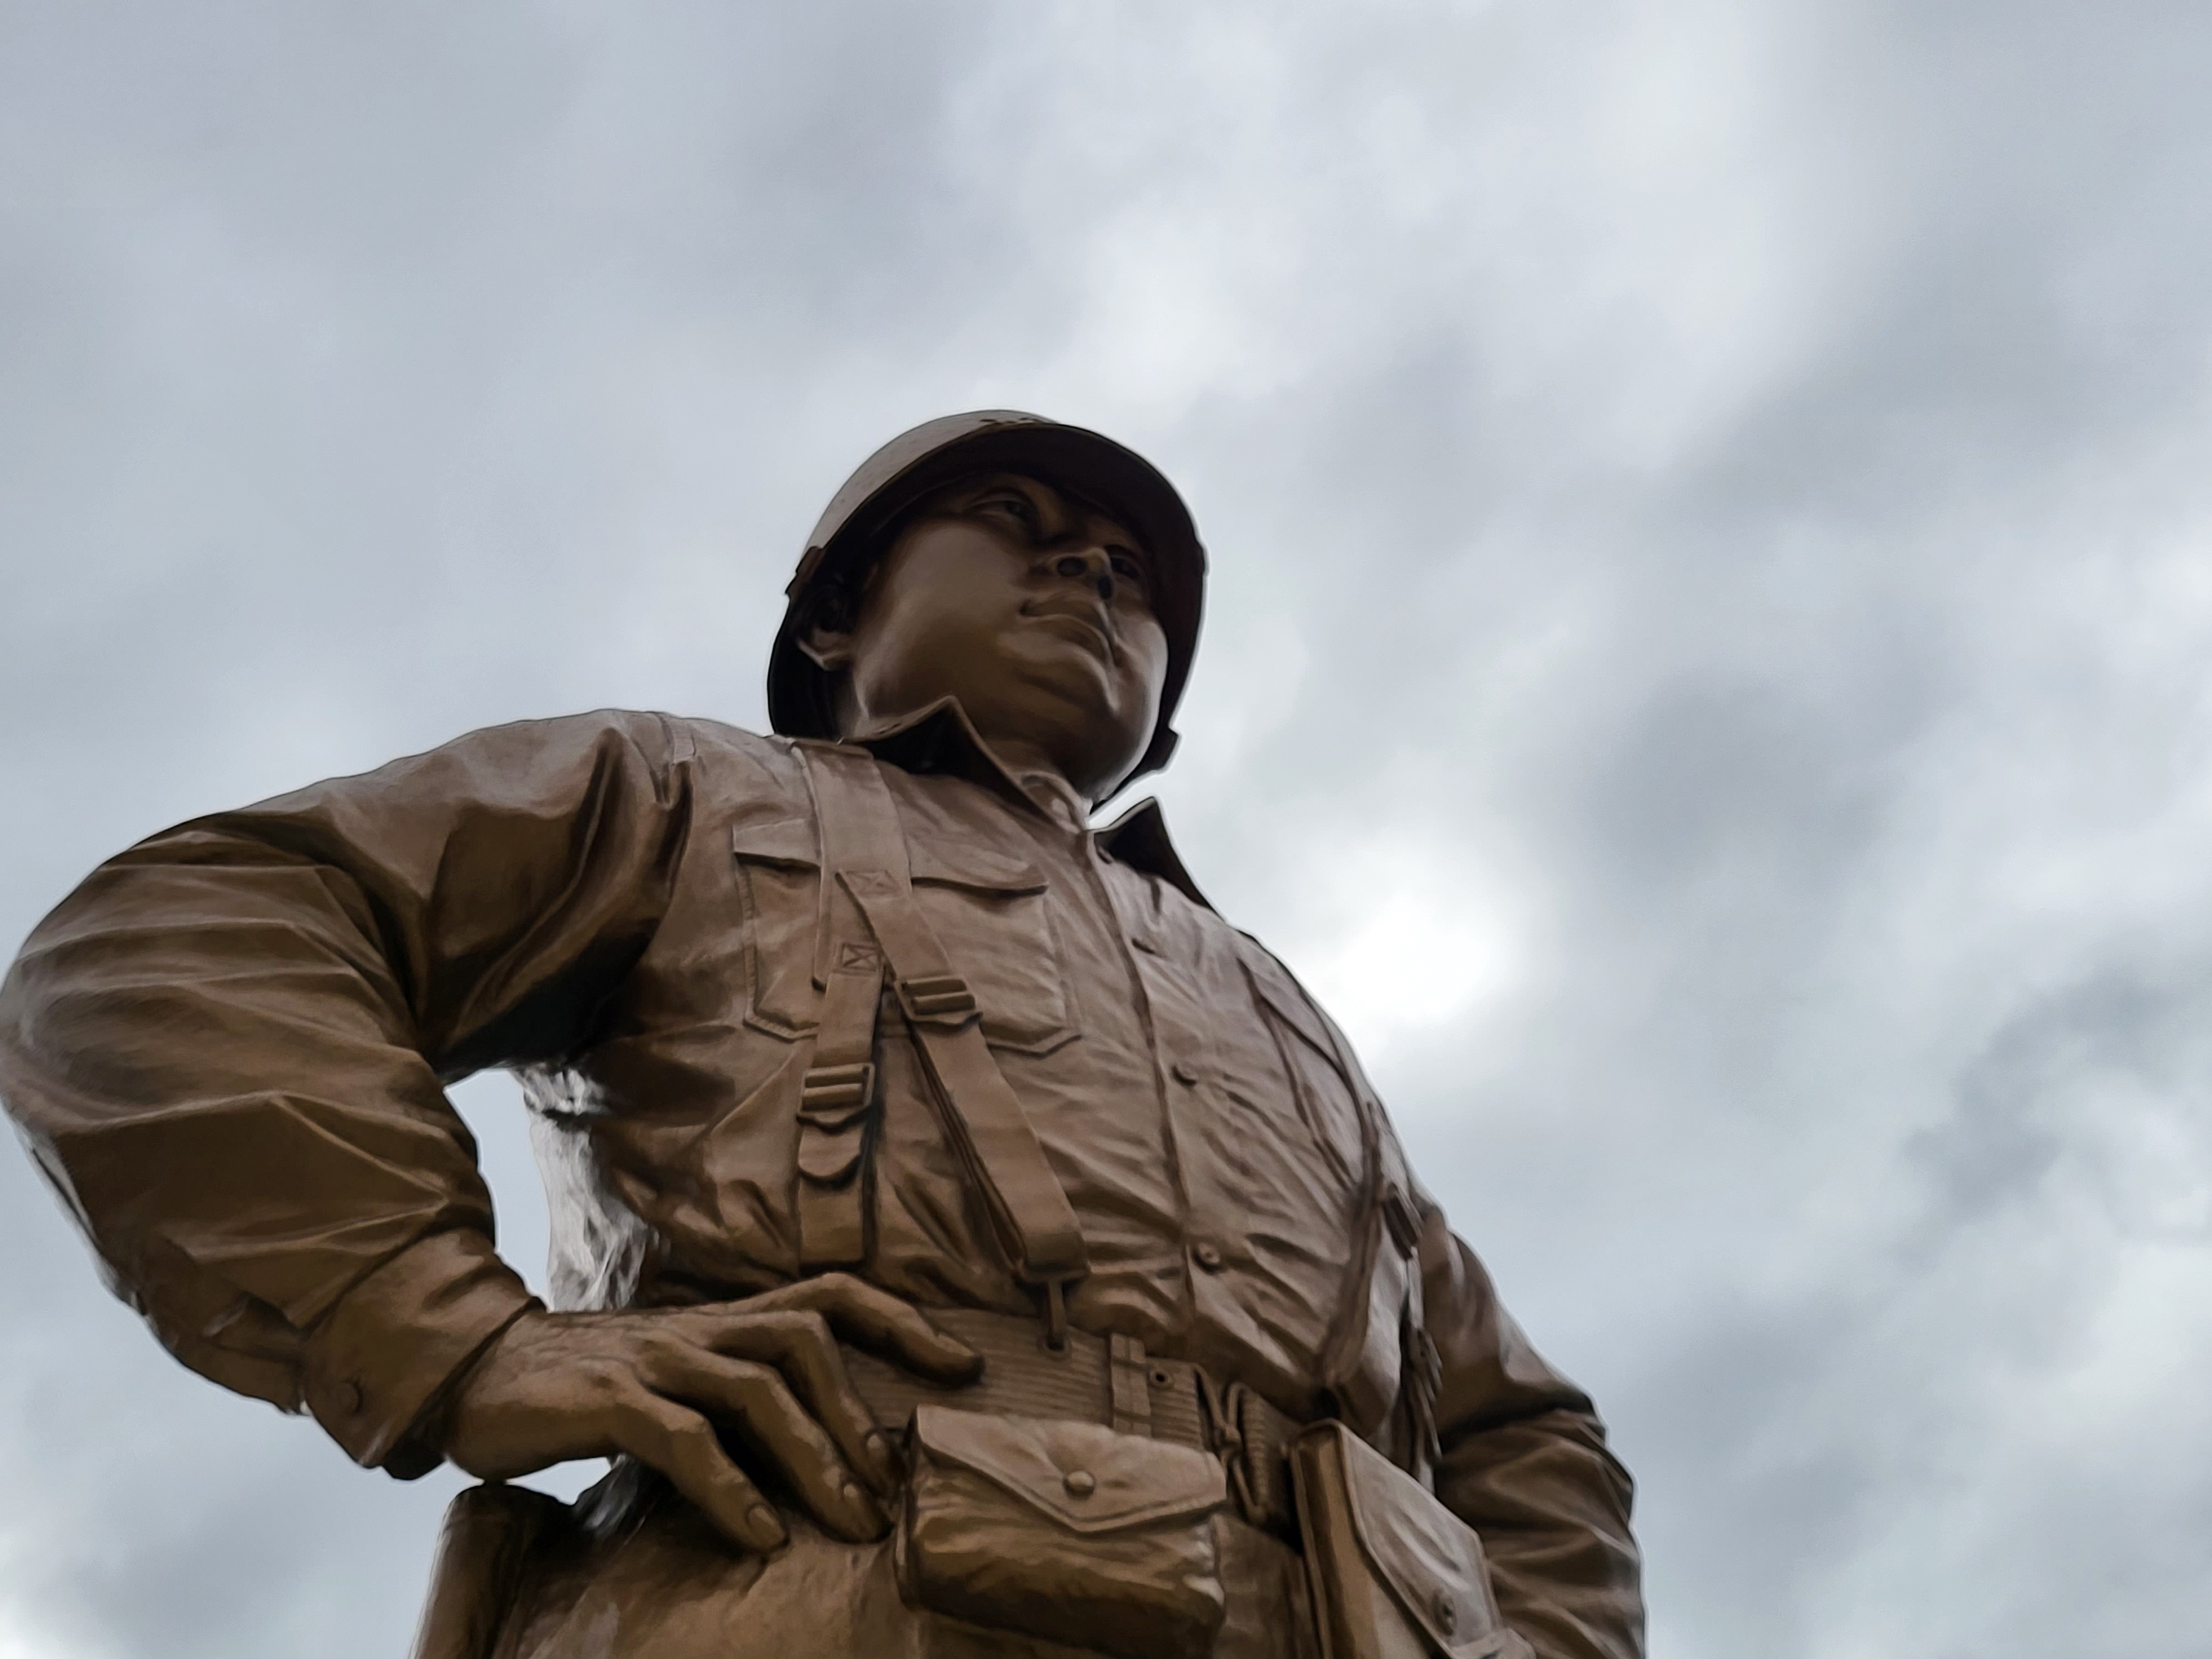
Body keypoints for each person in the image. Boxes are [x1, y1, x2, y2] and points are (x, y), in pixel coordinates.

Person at [0, 412, 1644, 1658]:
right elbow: (182, 943)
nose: (1091, 575)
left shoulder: (1284, 1013)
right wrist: (448, 1333)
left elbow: (1521, 1432)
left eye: (1131, 578)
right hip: (816, 1592)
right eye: (1019, 526)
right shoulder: (683, 797)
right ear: (838, 620)